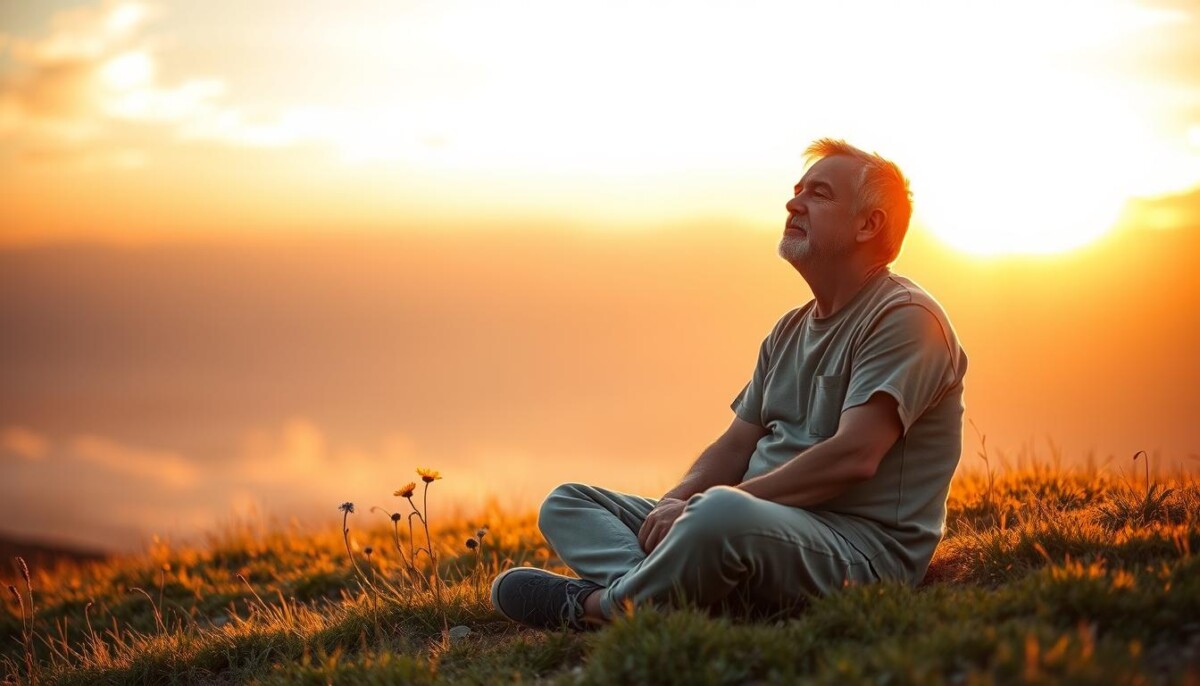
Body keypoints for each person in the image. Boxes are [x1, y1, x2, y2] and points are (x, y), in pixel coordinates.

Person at [490, 138, 968, 630]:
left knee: (718, 513)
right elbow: (735, 444)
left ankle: (605, 609)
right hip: (750, 525)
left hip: (857, 552)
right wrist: (675, 505)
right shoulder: (788, 330)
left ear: (869, 224)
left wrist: (712, 508)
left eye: (819, 194)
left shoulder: (906, 318)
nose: (793, 202)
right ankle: (675, 590)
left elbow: (855, 455)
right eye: (797, 189)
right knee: (569, 501)